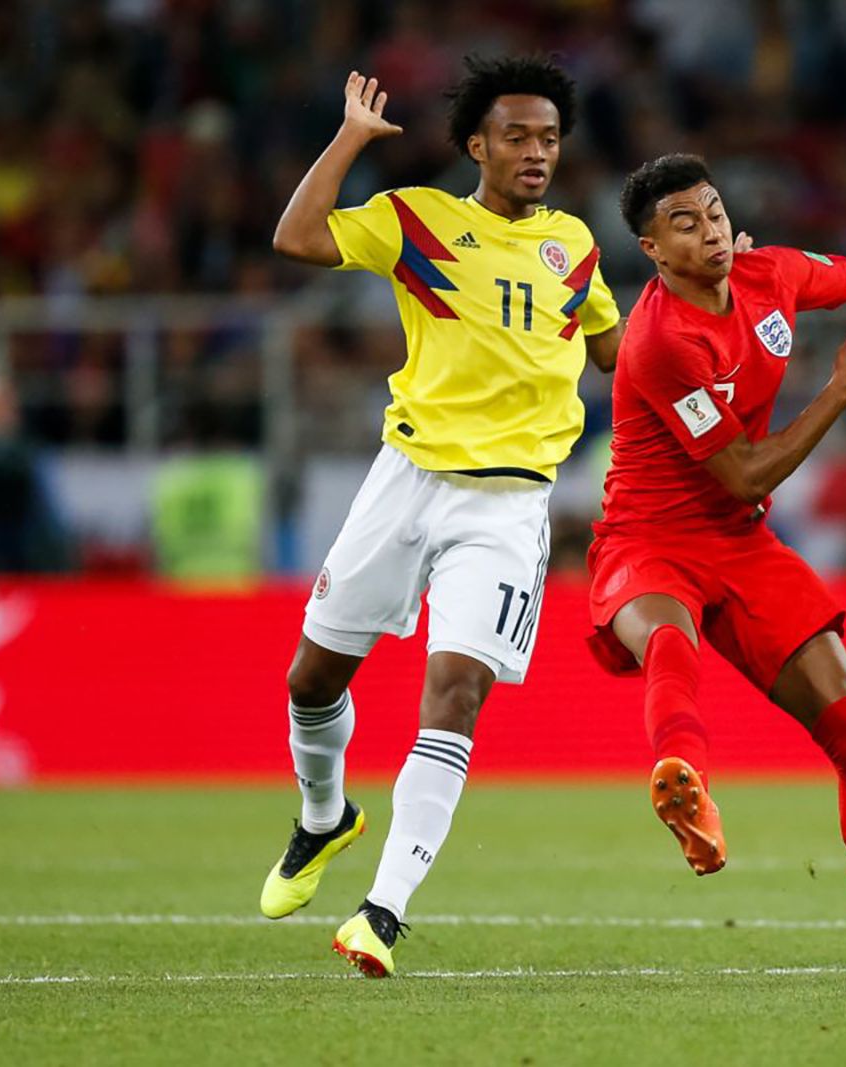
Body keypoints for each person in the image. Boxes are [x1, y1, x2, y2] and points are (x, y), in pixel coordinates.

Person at [264, 56, 621, 978]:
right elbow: (298, 237)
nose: (537, 152)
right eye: (517, 136)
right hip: (408, 477)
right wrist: (349, 139)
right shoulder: (419, 219)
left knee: (456, 691)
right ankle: (323, 817)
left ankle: (382, 912)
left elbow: (622, 353)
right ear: (477, 145)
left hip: (507, 506)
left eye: (549, 137)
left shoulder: (575, 247)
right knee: (311, 678)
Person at [586, 154, 846, 986]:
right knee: (669, 638)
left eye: (716, 210)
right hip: (649, 539)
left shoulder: (773, 274)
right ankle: (684, 778)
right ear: (652, 249)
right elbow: (748, 471)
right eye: (684, 223)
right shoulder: (657, 343)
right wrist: (840, 388)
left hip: (743, 544)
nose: (711, 230)